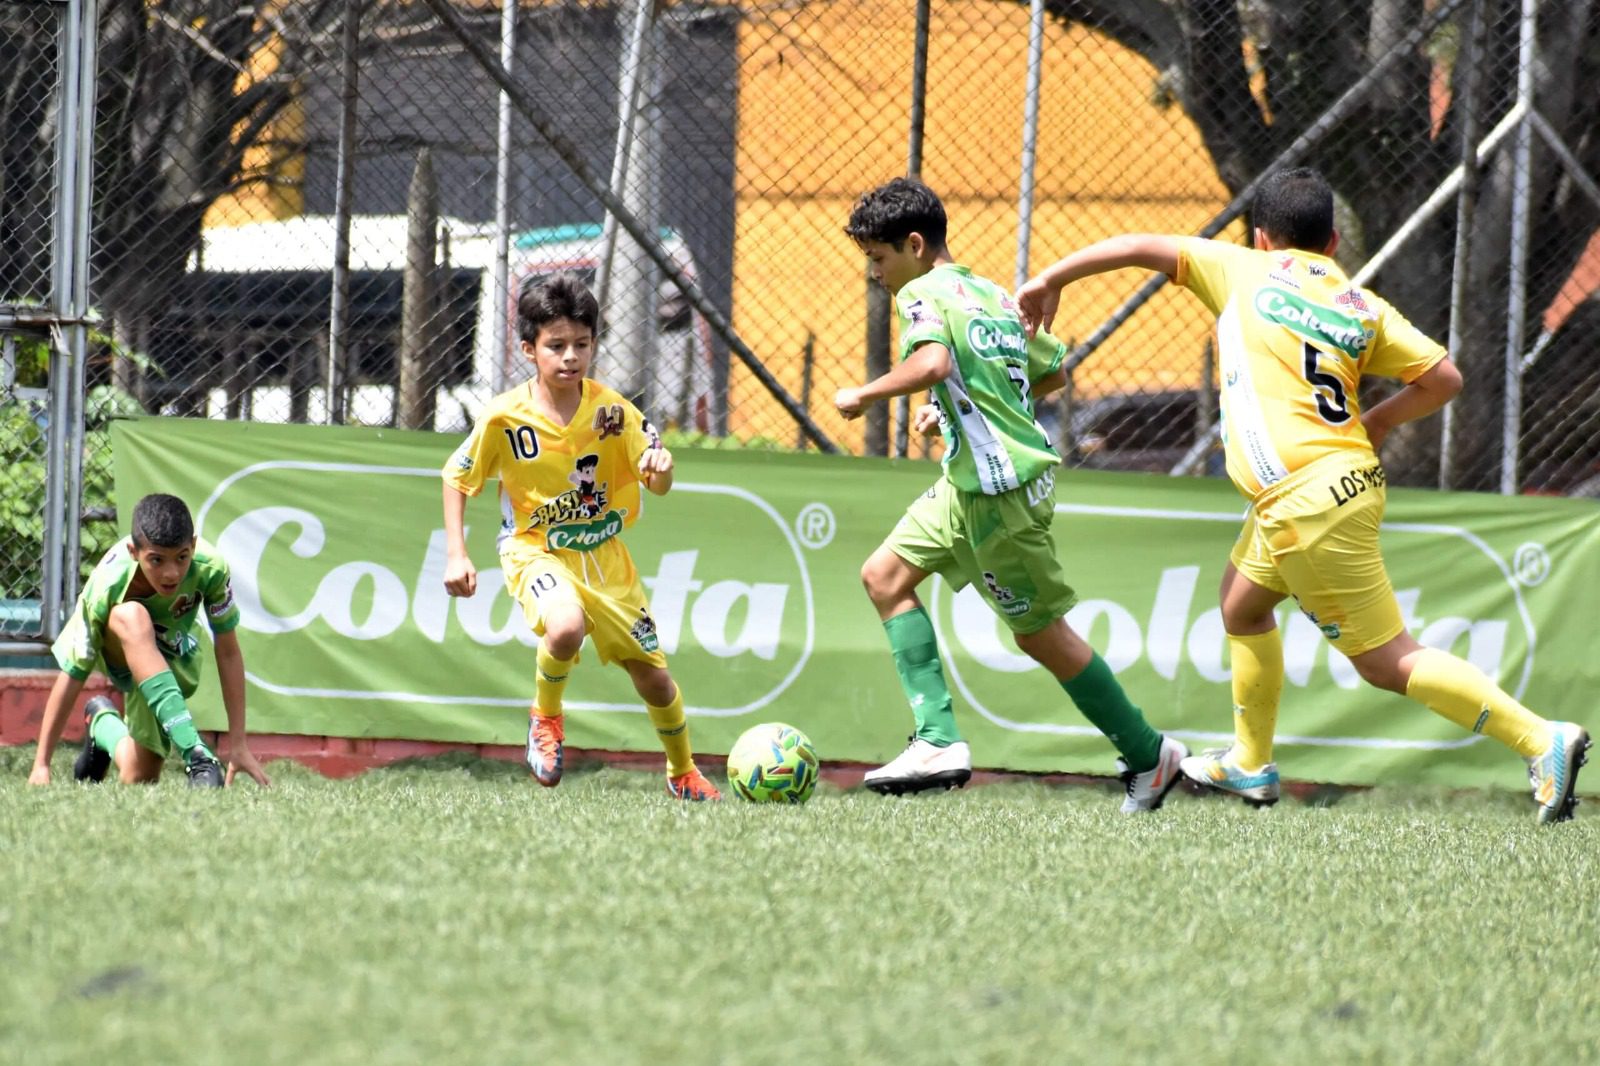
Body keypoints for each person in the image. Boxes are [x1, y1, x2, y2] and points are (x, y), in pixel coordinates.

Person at [1016, 166, 1590, 823]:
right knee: (1241, 604)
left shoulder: (1241, 270)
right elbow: (1445, 378)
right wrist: (1375, 422)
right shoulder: (1359, 304)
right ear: (1334, 241)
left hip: (1303, 500)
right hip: (1329, 488)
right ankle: (1250, 763)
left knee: (1386, 660)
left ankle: (1541, 740)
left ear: (1262, 238)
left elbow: (1139, 245)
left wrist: (1049, 278)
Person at [834, 177, 1188, 813]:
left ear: (913, 246)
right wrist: (955, 414)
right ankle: (937, 738)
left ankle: (1147, 753)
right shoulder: (992, 293)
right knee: (884, 576)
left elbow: (936, 363)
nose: (878, 275)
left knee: (1041, 637)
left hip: (1000, 494)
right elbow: (1048, 368)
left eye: (879, 260)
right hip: (966, 481)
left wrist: (868, 393)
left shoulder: (920, 294)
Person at [441, 273, 721, 801]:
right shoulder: (504, 416)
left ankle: (683, 772)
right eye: (556, 346)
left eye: (582, 344)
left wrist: (661, 466)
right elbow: (457, 476)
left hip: (607, 559)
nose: (571, 356)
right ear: (529, 349)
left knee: (655, 680)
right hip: (536, 550)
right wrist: (457, 553)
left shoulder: (614, 412)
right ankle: (545, 720)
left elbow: (655, 482)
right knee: (565, 626)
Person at [27, 493, 271, 788]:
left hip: (171, 656)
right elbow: (73, 673)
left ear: (193, 545)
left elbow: (229, 651)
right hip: (120, 651)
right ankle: (198, 756)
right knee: (132, 615)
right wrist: (41, 764)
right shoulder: (106, 585)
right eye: (156, 560)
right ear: (134, 551)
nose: (171, 573)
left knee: (139, 775)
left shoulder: (211, 568)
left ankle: (101, 722)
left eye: (182, 557)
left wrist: (238, 743)